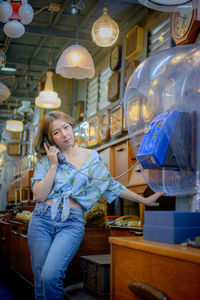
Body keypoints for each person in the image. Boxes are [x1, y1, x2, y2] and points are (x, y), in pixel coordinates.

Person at [28, 110, 162, 300]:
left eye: (66, 127)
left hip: (71, 223)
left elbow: (110, 185)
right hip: (41, 219)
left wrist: (144, 200)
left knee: (50, 276)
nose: (64, 134)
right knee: (40, 280)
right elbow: (40, 195)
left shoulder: (91, 157)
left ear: (71, 126)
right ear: (50, 139)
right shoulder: (46, 161)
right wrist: (53, 164)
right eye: (56, 132)